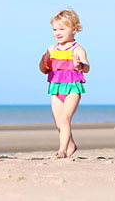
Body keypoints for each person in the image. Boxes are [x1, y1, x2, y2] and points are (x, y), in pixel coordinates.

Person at [39, 9, 90, 158]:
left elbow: (87, 68)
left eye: (62, 29)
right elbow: (44, 69)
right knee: (58, 123)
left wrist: (80, 65)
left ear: (74, 30)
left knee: (65, 119)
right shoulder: (51, 49)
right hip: (56, 86)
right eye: (55, 29)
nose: (57, 32)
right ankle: (72, 145)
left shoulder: (77, 49)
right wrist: (43, 63)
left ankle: (62, 150)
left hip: (73, 86)